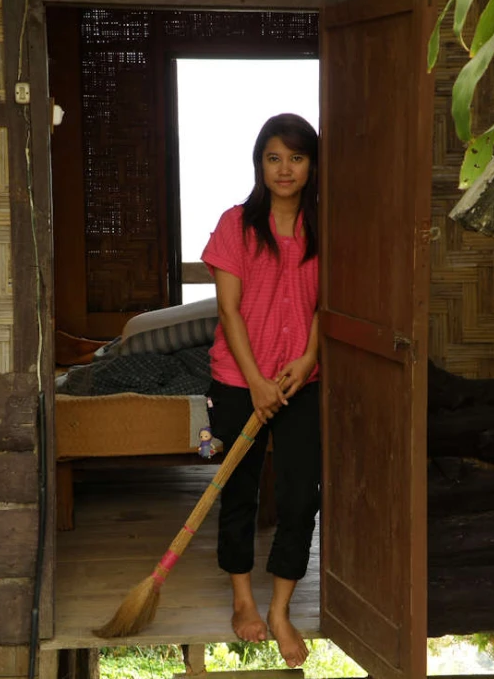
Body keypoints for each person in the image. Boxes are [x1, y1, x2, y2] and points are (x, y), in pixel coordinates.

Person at [201, 113, 320, 668]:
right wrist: (253, 382)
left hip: (301, 380)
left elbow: (328, 305)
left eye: (295, 157)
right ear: (259, 163)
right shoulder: (236, 226)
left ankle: (279, 609)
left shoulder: (327, 227)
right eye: (274, 157)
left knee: (300, 496)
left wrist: (309, 357)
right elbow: (228, 309)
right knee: (239, 492)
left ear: (311, 165)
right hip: (237, 381)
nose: (284, 169)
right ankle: (243, 600)